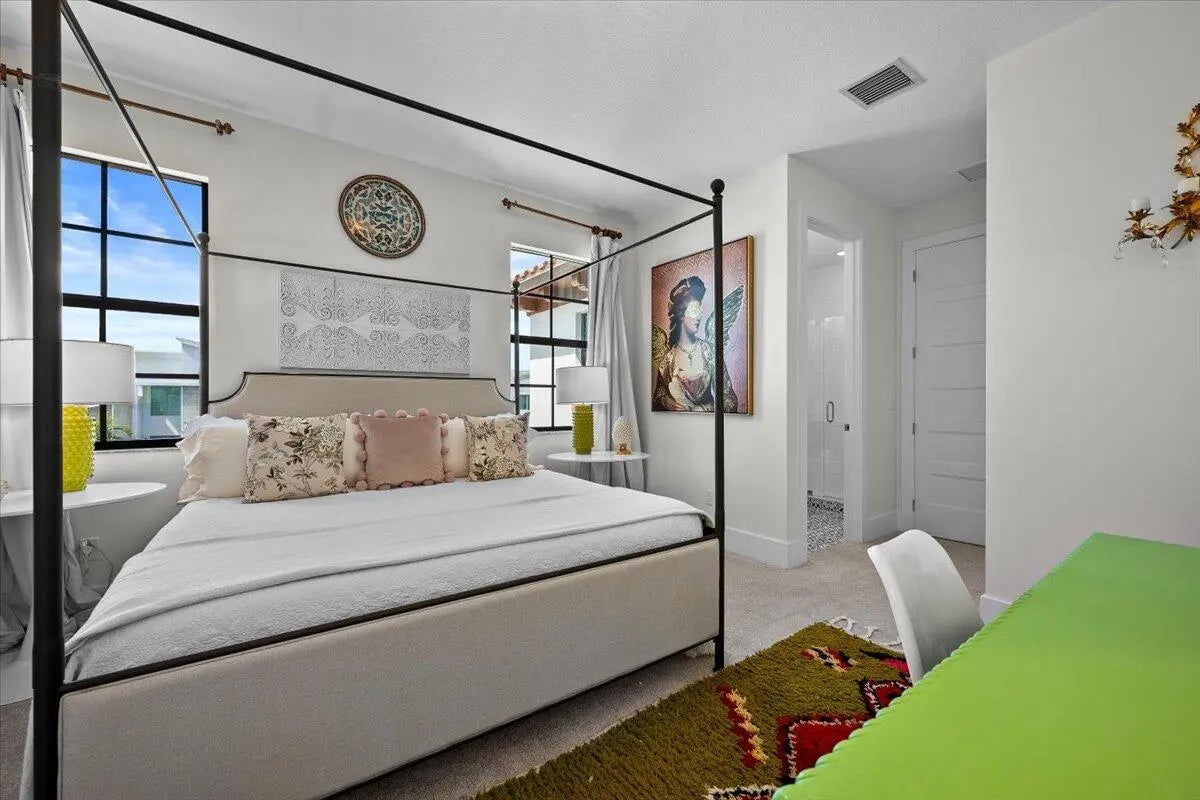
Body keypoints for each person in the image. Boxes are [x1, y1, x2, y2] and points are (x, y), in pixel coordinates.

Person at [651, 275, 738, 412]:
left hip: (710, 424)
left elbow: (730, 399)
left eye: (699, 311)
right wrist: (666, 402)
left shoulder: (710, 352)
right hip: (677, 423)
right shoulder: (668, 358)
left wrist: (703, 409)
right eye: (693, 311)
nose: (698, 317)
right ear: (681, 315)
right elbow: (657, 397)